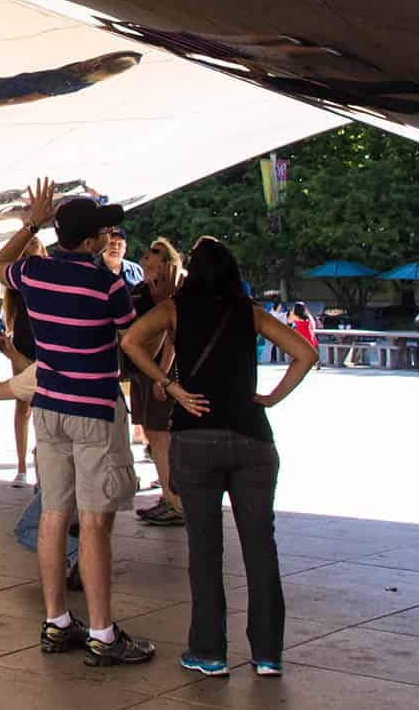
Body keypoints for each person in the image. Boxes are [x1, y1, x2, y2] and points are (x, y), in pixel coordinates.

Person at [120, 237, 314, 677]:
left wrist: (169, 386)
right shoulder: (252, 314)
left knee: (205, 550)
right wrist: (270, 398)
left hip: (195, 437)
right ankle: (267, 654)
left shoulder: (174, 311)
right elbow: (306, 353)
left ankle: (209, 652)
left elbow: (131, 342)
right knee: (260, 547)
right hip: (252, 438)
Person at [0, 180, 153, 666]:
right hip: (94, 411)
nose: (110, 237)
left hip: (50, 407)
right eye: (105, 231)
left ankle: (57, 621)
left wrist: (30, 224)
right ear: (90, 241)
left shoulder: (34, 273)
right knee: (96, 523)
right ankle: (103, 633)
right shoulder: (109, 284)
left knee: (54, 515)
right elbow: (129, 337)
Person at [0, 284, 79, 586]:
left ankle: (79, 556)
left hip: (59, 464)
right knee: (60, 511)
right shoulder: (77, 362)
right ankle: (77, 558)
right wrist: (12, 352)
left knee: (29, 529)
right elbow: (35, 373)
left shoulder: (42, 372)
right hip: (82, 460)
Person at [127, 237, 183, 528]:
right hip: (142, 371)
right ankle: (170, 496)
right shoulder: (141, 290)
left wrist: (162, 375)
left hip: (159, 372)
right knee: (153, 433)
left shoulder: (171, 293)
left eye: (154, 254)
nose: (146, 257)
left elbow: (171, 333)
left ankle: (175, 501)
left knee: (161, 435)